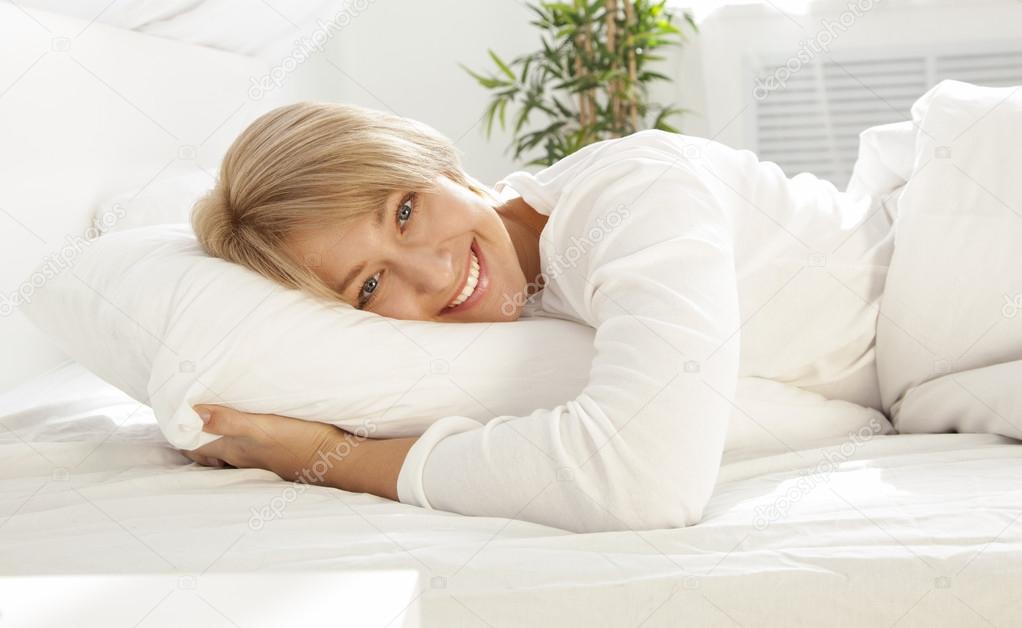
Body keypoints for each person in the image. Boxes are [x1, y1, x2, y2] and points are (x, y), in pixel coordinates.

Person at [184, 102, 891, 532]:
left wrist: (327, 460)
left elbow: (642, 482)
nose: (432, 271)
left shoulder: (628, 197)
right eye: (368, 286)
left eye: (404, 210)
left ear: (442, 164)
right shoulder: (512, 321)